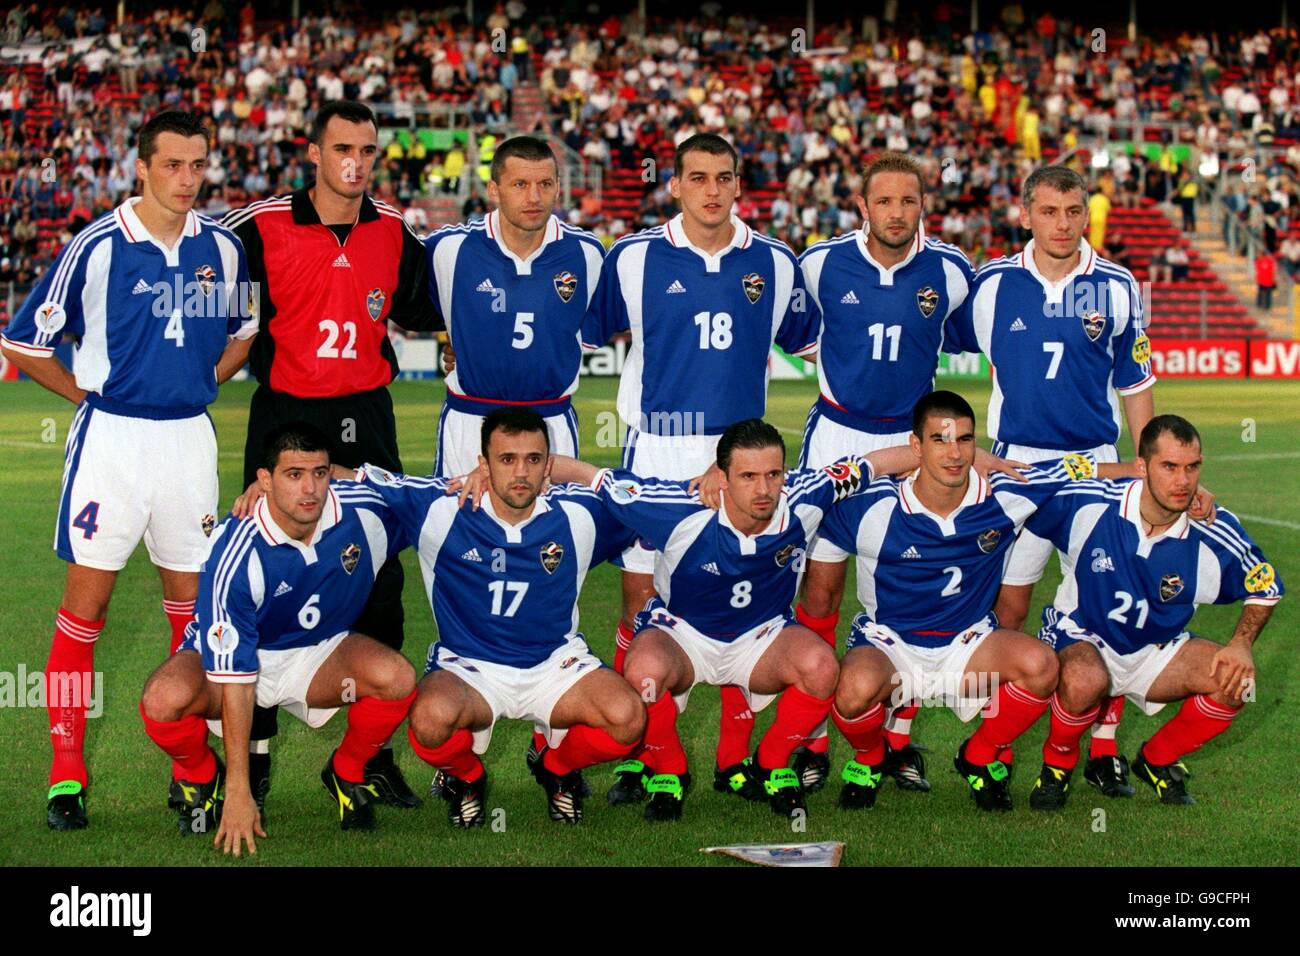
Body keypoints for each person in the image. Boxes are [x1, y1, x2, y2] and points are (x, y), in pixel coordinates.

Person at [0, 110, 259, 831]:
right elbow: (24, 343)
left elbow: (244, 333)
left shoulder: (225, 251)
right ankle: (65, 776)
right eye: (172, 165)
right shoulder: (98, 247)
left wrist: (204, 381)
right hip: (111, 445)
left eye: (198, 165)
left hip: (187, 446)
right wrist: (87, 396)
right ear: (141, 168)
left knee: (194, 614)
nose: (186, 179)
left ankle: (189, 774)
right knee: (86, 610)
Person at [580, 133, 818, 793]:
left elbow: (817, 342)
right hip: (657, 447)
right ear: (675, 184)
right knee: (639, 603)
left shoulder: (773, 261)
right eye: (698, 177)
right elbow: (585, 330)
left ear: (739, 183)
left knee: (746, 605)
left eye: (724, 177)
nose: (712, 190)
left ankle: (734, 756)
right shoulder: (632, 257)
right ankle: (646, 752)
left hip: (742, 456)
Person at [223, 100, 442, 813]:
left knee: (379, 578)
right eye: (342, 146)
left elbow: (435, 312)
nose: (356, 160)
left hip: (366, 416)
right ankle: (248, 759)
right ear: (312, 152)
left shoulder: (394, 234)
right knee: (266, 574)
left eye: (369, 149)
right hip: (287, 413)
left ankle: (367, 758)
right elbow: (208, 298)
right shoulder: (259, 228)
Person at [947, 164, 1191, 796]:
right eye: (1049, 211)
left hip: (1095, 467)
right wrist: (961, 445)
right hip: (1017, 465)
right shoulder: (992, 284)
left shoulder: (1116, 285)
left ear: (1087, 215)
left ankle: (1102, 746)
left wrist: (1148, 470)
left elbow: (1136, 386)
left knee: (1107, 608)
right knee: (1010, 605)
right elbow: (927, 354)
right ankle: (993, 745)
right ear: (1025, 214)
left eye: (1074, 212)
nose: (1063, 224)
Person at [549, 420, 928, 820]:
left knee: (821, 667)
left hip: (762, 638)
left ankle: (770, 761)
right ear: (721, 477)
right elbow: (593, 477)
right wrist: (510, 475)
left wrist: (965, 460)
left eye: (773, 474)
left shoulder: (806, 495)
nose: (763, 489)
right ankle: (671, 772)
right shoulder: (677, 507)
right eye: (748, 476)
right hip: (684, 636)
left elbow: (873, 463)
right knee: (643, 670)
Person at [802, 391, 1137, 812]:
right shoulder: (871, 507)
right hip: (892, 646)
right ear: (915, 446)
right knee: (852, 691)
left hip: (969, 647)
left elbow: (1078, 469)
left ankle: (977, 756)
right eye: (940, 440)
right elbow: (804, 510)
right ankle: (871, 758)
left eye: (964, 439)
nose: (954, 452)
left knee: (1042, 666)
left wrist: (1146, 476)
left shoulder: (1004, 495)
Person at [344, 409, 646, 828]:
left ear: (548, 466)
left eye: (534, 460)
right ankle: (467, 778)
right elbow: (350, 478)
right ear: (482, 465)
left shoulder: (579, 516)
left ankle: (557, 767)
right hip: (469, 669)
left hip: (554, 666)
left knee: (628, 720)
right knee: (430, 722)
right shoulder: (441, 507)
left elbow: (647, 502)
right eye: (506, 460)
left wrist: (577, 470)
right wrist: (265, 489)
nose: (520, 472)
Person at [138, 422, 417, 852]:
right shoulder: (235, 549)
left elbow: (435, 498)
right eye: (293, 475)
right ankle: (200, 776)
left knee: (396, 678)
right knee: (162, 700)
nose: (310, 489)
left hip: (318, 656)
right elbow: (236, 679)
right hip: (235, 664)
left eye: (320, 473)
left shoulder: (361, 511)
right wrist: (239, 790)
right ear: (264, 480)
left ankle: (346, 770)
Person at [790, 150, 976, 792]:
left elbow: (970, 338)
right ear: (862, 207)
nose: (897, 213)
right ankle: (811, 737)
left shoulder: (952, 271)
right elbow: (794, 333)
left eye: (909, 201)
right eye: (884, 201)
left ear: (923, 205)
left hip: (913, 442)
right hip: (838, 440)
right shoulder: (819, 264)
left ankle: (896, 742)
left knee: (909, 592)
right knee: (820, 592)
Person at [1025, 415, 1282, 808]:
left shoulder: (1211, 528)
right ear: (1142, 466)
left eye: (1192, 468)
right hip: (1082, 637)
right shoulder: (1093, 503)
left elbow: (1266, 585)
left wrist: (1241, 644)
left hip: (1156, 652)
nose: (1183, 481)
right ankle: (1056, 768)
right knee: (1083, 680)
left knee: (1238, 682)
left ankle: (1156, 759)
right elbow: (1027, 482)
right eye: (1169, 467)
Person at [427, 136, 605, 478]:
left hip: (550, 424)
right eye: (520, 184)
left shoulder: (588, 255)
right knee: (459, 527)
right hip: (469, 422)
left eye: (545, 184)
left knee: (552, 529)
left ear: (558, 188)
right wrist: (456, 345)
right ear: (494, 189)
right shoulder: (447, 250)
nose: (534, 197)